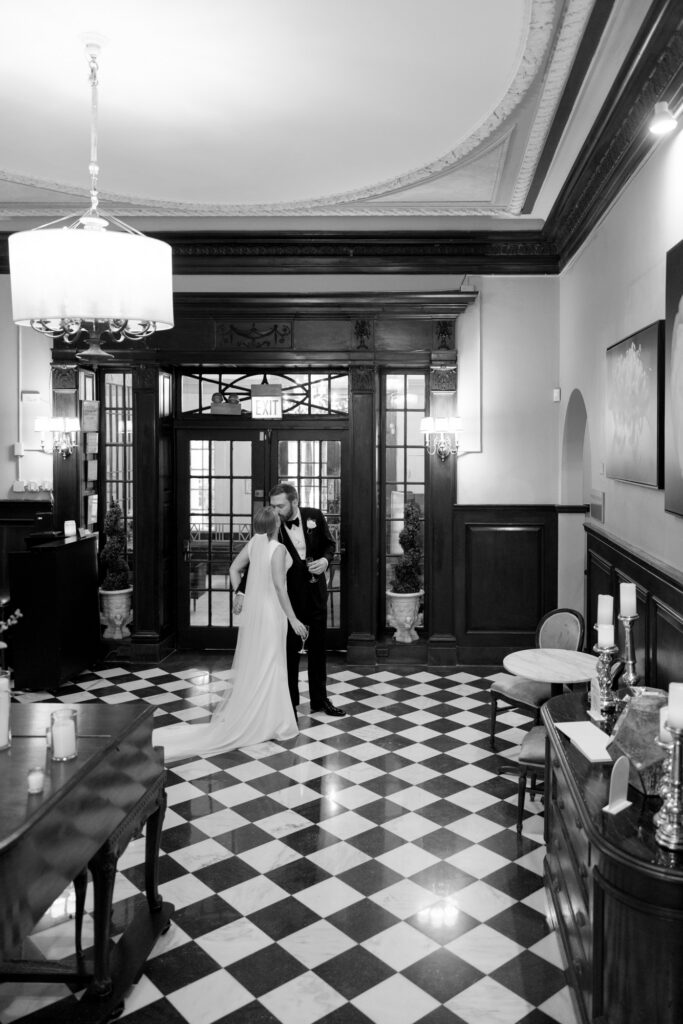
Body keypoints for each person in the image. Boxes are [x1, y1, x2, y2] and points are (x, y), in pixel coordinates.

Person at [154, 507, 307, 763]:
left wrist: (240, 594)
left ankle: (264, 717)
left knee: (261, 664)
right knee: (272, 664)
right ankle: (271, 721)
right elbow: (280, 588)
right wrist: (293, 619)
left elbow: (234, 569)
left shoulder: (255, 543)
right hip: (273, 613)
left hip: (257, 612)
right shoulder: (278, 549)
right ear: (276, 525)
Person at [269, 482, 345, 717]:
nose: (276, 511)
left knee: (318, 649)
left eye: (280, 506)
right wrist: (241, 591)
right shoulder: (274, 525)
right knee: (290, 651)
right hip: (290, 598)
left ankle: (319, 700)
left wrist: (325, 561)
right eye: (273, 506)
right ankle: (290, 704)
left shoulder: (314, 516)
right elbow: (257, 557)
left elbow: (330, 544)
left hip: (316, 594)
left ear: (295, 501)